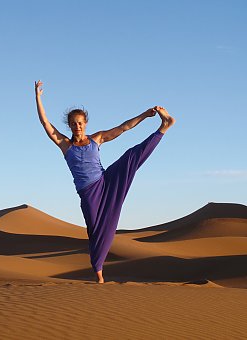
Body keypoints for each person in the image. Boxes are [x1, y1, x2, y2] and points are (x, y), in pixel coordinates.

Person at [34, 80, 175, 283]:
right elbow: (45, 123)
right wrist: (38, 98)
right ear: (70, 126)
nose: (77, 126)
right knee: (95, 229)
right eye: (73, 124)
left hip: (105, 181)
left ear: (85, 124)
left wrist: (144, 115)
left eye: (80, 123)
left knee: (130, 157)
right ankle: (99, 273)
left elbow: (123, 128)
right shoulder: (64, 144)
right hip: (88, 193)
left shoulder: (96, 139)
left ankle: (163, 128)